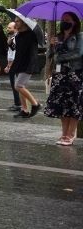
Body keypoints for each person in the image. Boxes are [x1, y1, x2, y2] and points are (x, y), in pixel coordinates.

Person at [44, 12, 83, 145]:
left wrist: (60, 57)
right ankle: (64, 133)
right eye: (62, 19)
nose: (64, 21)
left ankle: (71, 134)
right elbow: (49, 55)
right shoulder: (58, 37)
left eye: (67, 19)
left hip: (74, 74)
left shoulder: (79, 36)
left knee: (74, 104)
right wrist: (52, 45)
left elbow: (78, 53)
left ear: (74, 22)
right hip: (59, 75)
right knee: (62, 105)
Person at [10, 17, 41, 118]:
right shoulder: (18, 35)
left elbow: (32, 52)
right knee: (20, 87)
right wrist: (10, 44)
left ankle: (35, 104)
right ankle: (24, 109)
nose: (15, 23)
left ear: (24, 23)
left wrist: (31, 65)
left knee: (18, 85)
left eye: (18, 21)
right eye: (15, 21)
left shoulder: (31, 35)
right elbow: (19, 50)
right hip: (19, 63)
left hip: (28, 63)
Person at [4, 21, 22, 112]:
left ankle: (18, 104)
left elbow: (14, 53)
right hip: (13, 64)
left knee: (15, 85)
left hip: (15, 65)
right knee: (14, 85)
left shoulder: (16, 38)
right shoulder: (12, 37)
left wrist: (9, 65)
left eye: (9, 28)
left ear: (15, 29)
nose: (7, 29)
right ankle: (17, 103)